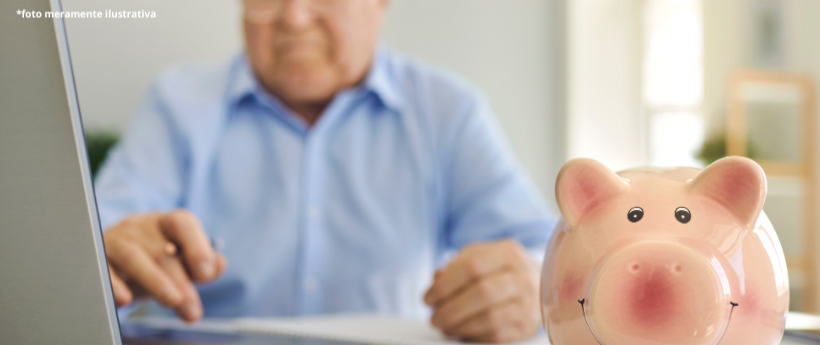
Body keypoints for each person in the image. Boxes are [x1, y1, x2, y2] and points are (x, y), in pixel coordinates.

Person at [96, 0, 555, 343]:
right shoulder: (176, 104)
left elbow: (547, 257)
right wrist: (110, 255)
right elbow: (94, 248)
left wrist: (530, 287)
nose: (294, 17)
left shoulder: (447, 112)